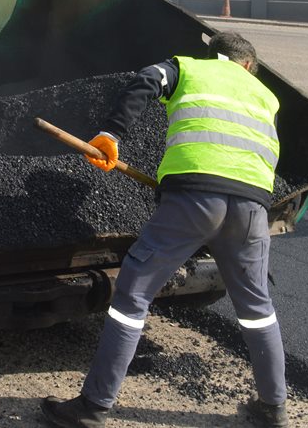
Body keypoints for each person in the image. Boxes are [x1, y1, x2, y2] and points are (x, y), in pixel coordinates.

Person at [41, 31, 288, 428]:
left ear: (214, 56)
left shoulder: (187, 68)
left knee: (134, 295)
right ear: (246, 64)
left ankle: (92, 408)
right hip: (252, 207)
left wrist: (111, 134)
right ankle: (274, 409)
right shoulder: (267, 97)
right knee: (257, 309)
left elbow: (146, 80)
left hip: (193, 198)